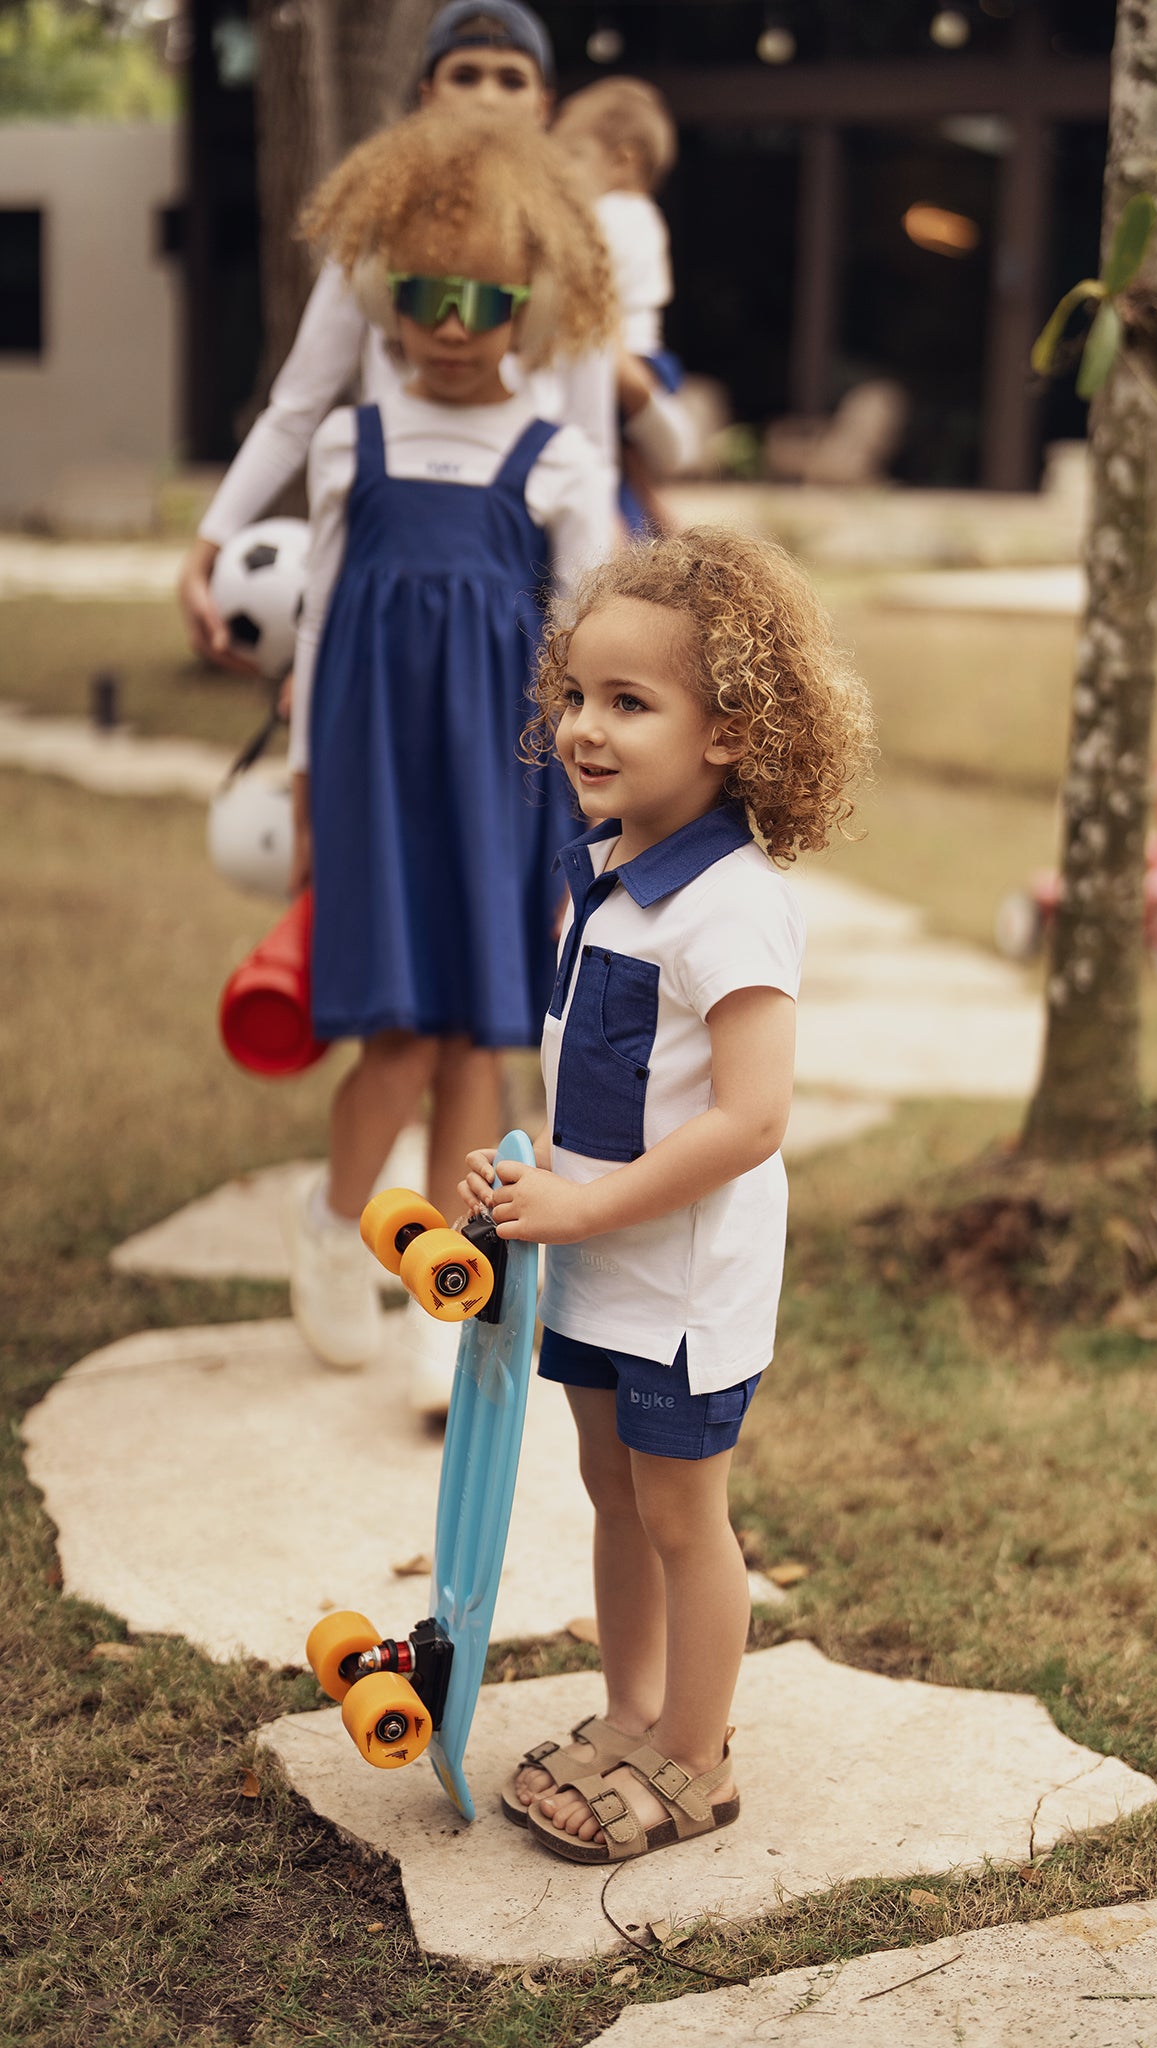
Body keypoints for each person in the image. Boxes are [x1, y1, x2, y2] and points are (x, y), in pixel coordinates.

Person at [460, 527, 875, 1863]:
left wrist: (590, 1208)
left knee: (685, 1518)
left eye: (629, 704)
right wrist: (536, 1178)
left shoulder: (732, 910)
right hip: (595, 1255)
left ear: (733, 732)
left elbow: (751, 1118)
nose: (584, 729)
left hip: (681, 1282)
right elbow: (612, 1080)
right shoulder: (603, 878)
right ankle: (630, 1715)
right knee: (611, 1493)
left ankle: (697, 1760)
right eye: (577, 696)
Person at [283, 108, 617, 1409]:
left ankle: (442, 1286)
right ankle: (333, 1223)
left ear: (529, 302)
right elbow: (314, 632)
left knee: (478, 1037)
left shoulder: (558, 465)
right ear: (384, 289)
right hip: (373, 779)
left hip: (503, 786)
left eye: (484, 296)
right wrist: (309, 785)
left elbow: (588, 665)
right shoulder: (345, 447)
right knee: (400, 1037)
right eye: (423, 291)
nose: (451, 321)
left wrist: (586, 829)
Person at [178, 0, 614, 667]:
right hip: (395, 542)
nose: (486, 97)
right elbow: (296, 408)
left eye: (510, 78)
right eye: (465, 74)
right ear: (426, 94)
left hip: (516, 560)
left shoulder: (567, 247)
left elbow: (592, 446)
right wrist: (210, 544)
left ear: (544, 104)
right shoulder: (377, 233)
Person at [554, 76, 694, 534]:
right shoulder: (642, 217)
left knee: (603, 479)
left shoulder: (614, 215)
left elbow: (579, 286)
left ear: (624, 159)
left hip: (625, 360)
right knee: (625, 475)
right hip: (636, 359)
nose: (563, 172)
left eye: (574, 155)